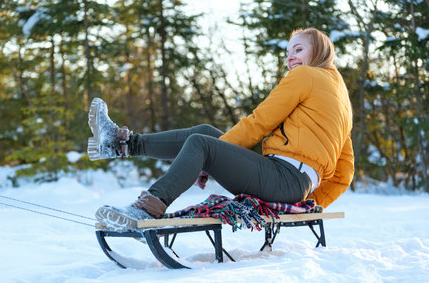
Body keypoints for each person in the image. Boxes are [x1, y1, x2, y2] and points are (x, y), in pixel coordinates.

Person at [89, 28, 354, 231]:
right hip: (290, 182)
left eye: (298, 50)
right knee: (205, 133)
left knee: (201, 144)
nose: (290, 58)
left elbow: (259, 122)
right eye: (288, 53)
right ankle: (121, 143)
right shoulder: (341, 99)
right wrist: (310, 202)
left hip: (283, 178)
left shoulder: (305, 75)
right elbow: (344, 172)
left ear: (319, 51)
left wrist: (207, 160)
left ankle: (148, 209)